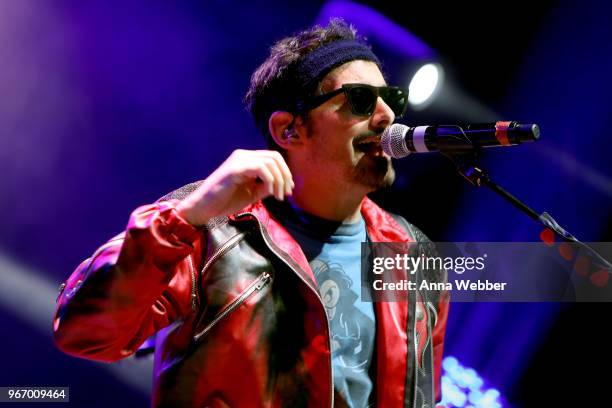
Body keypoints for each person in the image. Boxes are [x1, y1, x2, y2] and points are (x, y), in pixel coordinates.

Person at [53, 19, 448, 408]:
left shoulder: (415, 257)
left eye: (392, 99)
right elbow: (84, 331)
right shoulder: (212, 226)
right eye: (362, 100)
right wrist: (187, 217)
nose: (387, 117)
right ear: (289, 130)